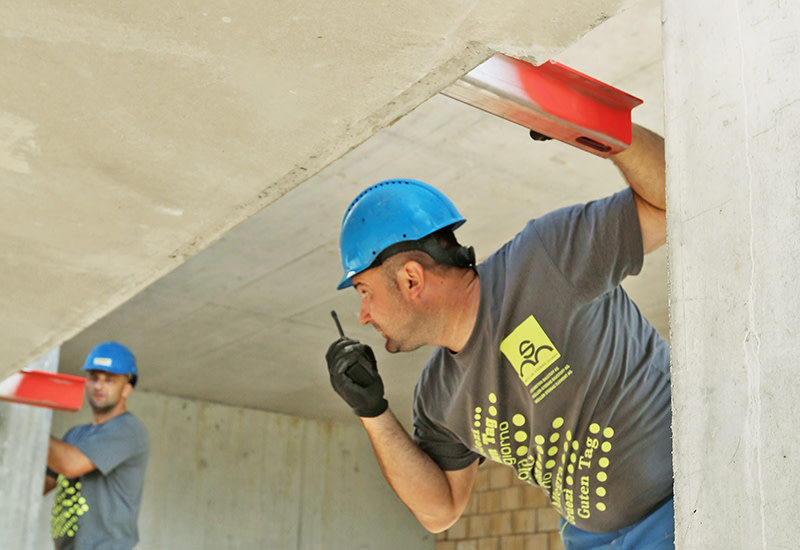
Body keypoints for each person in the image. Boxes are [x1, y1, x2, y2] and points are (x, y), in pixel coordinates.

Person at [325, 123, 674, 549]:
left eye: (365, 292)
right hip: (594, 541)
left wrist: (597, 127)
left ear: (411, 279)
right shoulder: (437, 397)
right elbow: (441, 511)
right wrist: (372, 411)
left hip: (680, 510)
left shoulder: (546, 259)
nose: (363, 315)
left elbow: (673, 201)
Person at [45, 341, 150, 550]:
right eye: (93, 377)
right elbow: (42, 482)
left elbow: (71, 465)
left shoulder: (128, 430)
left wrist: (29, 421)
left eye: (109, 380)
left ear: (127, 389)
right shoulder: (75, 435)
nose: (98, 386)